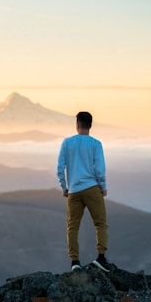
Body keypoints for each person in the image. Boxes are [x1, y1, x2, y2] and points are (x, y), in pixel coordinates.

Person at [57, 111, 110, 272]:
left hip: (73, 191)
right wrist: (103, 187)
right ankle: (101, 257)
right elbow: (99, 169)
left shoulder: (67, 143)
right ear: (91, 125)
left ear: (77, 124)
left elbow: (60, 168)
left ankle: (75, 262)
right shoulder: (96, 144)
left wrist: (64, 187)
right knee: (100, 223)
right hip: (92, 188)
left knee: (72, 227)